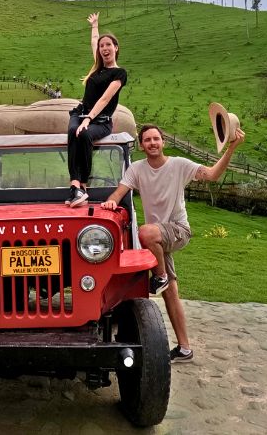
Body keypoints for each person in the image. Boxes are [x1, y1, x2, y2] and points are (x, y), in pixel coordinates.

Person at [101, 124, 245, 362]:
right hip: (158, 238)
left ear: (163, 142)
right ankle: (185, 348)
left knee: (144, 233)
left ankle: (159, 276)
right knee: (170, 293)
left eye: (156, 139)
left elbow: (212, 175)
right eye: (147, 140)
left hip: (178, 230)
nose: (152, 143)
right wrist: (109, 204)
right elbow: (119, 193)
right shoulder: (136, 169)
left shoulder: (179, 165)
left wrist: (231, 147)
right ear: (141, 145)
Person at [66, 12, 126, 207]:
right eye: (102, 46)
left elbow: (105, 98)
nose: (104, 48)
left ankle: (82, 185)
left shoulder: (119, 73)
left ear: (116, 48)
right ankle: (75, 186)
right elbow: (93, 42)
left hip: (100, 120)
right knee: (72, 132)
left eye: (108, 45)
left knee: (83, 134)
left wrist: (88, 120)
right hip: (80, 112)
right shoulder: (97, 69)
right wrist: (95, 26)